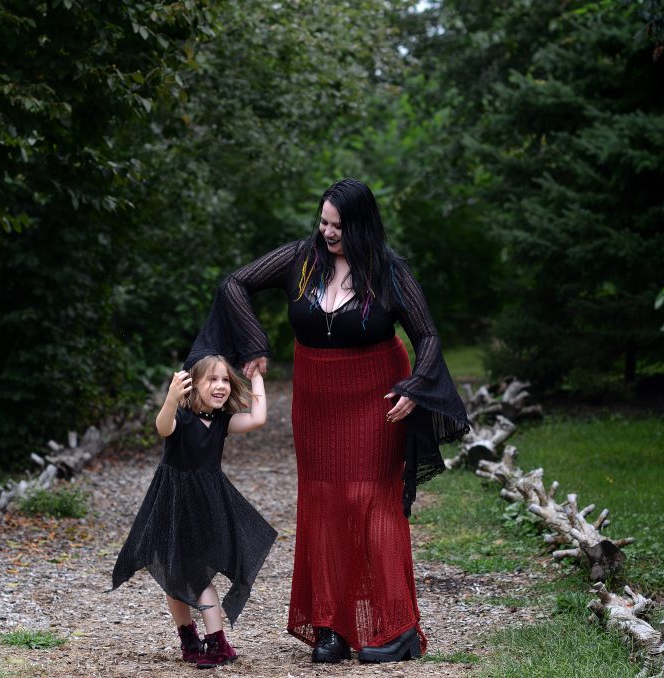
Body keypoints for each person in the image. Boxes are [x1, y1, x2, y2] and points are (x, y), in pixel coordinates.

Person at [183, 178, 469, 664]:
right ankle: (332, 628)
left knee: (372, 500)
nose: (328, 232)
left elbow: (428, 336)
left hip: (376, 394)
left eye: (337, 225)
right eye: (323, 222)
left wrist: (415, 389)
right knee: (324, 503)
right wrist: (255, 345)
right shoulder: (301, 259)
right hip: (316, 401)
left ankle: (397, 628)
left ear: (360, 225)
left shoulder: (389, 270)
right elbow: (234, 283)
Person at [111, 355, 277, 669]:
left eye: (226, 380)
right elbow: (162, 427)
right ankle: (189, 640)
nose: (220, 386)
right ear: (193, 385)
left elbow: (257, 419)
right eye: (212, 380)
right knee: (173, 576)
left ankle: (218, 643)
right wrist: (171, 398)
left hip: (205, 507)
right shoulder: (182, 418)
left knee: (198, 577)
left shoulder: (222, 422)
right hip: (172, 504)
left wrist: (256, 377)